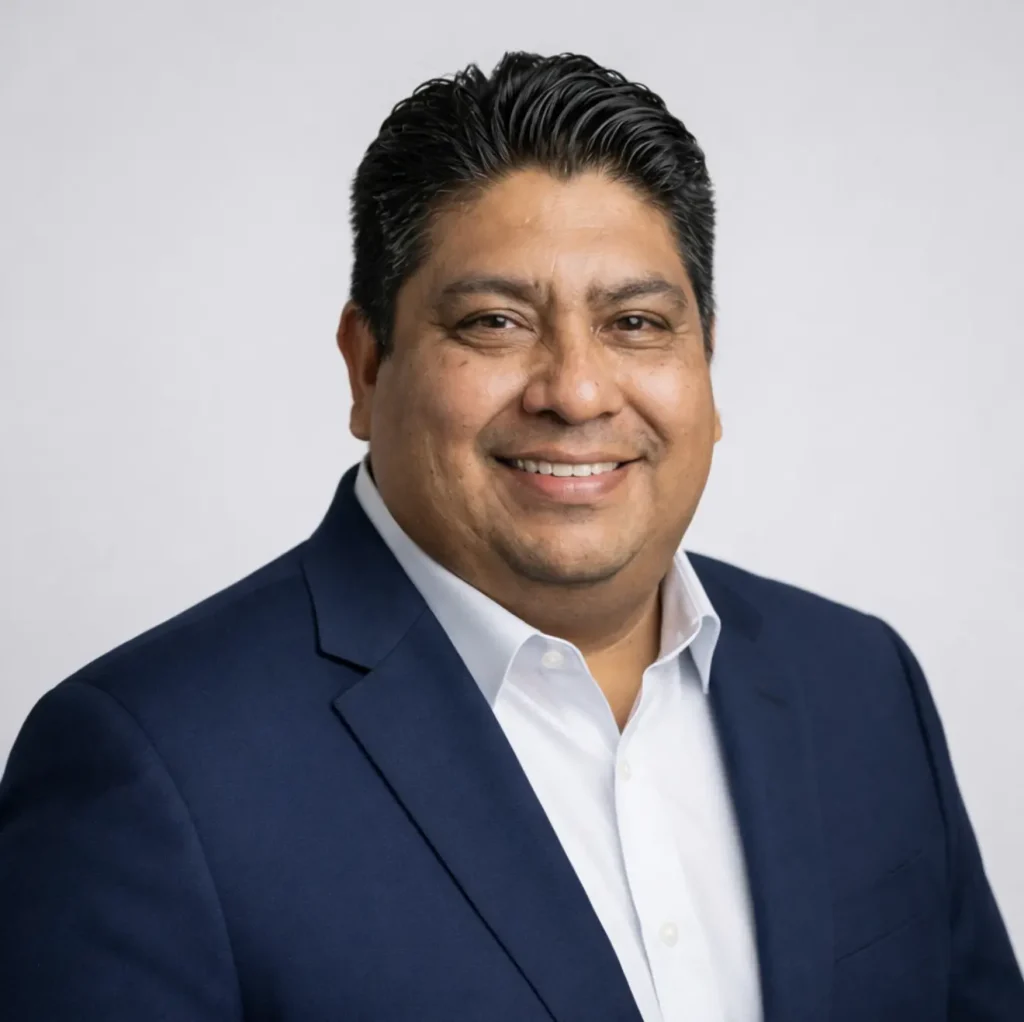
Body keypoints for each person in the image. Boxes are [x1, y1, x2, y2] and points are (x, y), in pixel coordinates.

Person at [0, 50, 1020, 1022]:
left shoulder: (860, 684)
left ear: (706, 366)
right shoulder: (149, 767)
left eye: (636, 323)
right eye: (494, 321)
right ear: (366, 366)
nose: (576, 391)